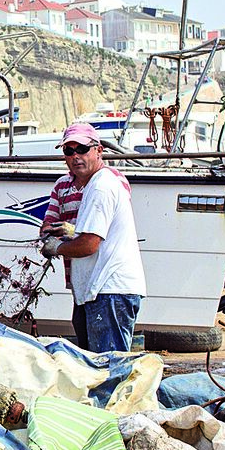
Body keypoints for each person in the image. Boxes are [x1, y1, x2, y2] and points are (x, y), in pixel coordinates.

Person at [39, 122, 146, 353]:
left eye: (82, 149)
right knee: (95, 366)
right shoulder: (87, 185)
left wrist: (57, 247)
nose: (76, 156)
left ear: (98, 150)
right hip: (96, 291)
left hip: (109, 290)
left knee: (107, 369)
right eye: (69, 151)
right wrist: (70, 232)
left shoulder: (102, 186)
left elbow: (89, 244)